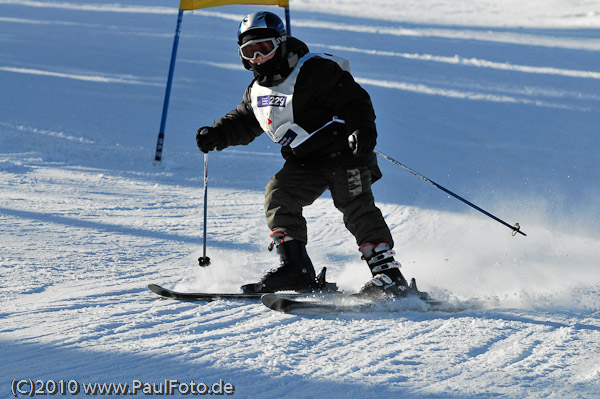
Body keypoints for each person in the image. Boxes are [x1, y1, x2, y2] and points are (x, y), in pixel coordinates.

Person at [196, 11, 408, 296]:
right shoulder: (256, 90)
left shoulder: (314, 71)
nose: (258, 58)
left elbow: (354, 100)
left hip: (344, 153)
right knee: (278, 194)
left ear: (281, 43)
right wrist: (217, 134)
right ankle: (296, 269)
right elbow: (245, 121)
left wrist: (363, 130)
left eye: (265, 48)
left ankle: (389, 275)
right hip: (305, 161)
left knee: (355, 204)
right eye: (249, 52)